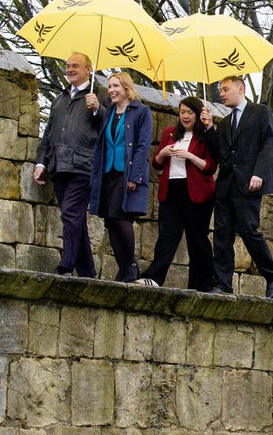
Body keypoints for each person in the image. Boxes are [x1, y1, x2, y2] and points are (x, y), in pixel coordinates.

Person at [200, 75, 273, 298]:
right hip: (226, 185)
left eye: (226, 89)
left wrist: (259, 173)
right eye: (220, 90)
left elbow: (269, 143)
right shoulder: (225, 123)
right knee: (221, 235)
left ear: (241, 89)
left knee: (248, 230)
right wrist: (208, 128)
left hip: (249, 183)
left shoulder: (260, 112)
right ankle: (223, 284)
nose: (222, 93)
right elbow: (220, 154)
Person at [33, 52, 108, 277]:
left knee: (71, 213)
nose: (70, 69)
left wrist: (98, 109)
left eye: (75, 65)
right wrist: (41, 163)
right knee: (74, 217)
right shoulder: (60, 98)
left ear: (89, 70)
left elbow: (111, 127)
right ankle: (87, 271)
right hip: (59, 166)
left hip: (84, 165)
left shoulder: (100, 95)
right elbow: (49, 134)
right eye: (67, 65)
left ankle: (66, 265)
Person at [138, 96, 217, 290]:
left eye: (190, 112)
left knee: (197, 239)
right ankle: (154, 277)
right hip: (172, 191)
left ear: (198, 114)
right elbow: (157, 163)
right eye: (182, 112)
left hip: (197, 193)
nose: (185, 116)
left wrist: (189, 155)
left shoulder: (205, 136)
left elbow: (210, 167)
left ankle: (202, 284)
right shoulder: (170, 133)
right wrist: (163, 154)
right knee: (167, 236)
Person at [87, 72, 152, 282]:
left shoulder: (141, 111)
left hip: (126, 174)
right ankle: (124, 268)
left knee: (121, 218)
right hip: (108, 172)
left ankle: (130, 265)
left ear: (126, 88)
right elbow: (100, 131)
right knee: (110, 220)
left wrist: (135, 175)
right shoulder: (110, 112)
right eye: (110, 86)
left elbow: (143, 146)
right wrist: (96, 107)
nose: (111, 90)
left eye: (116, 86)